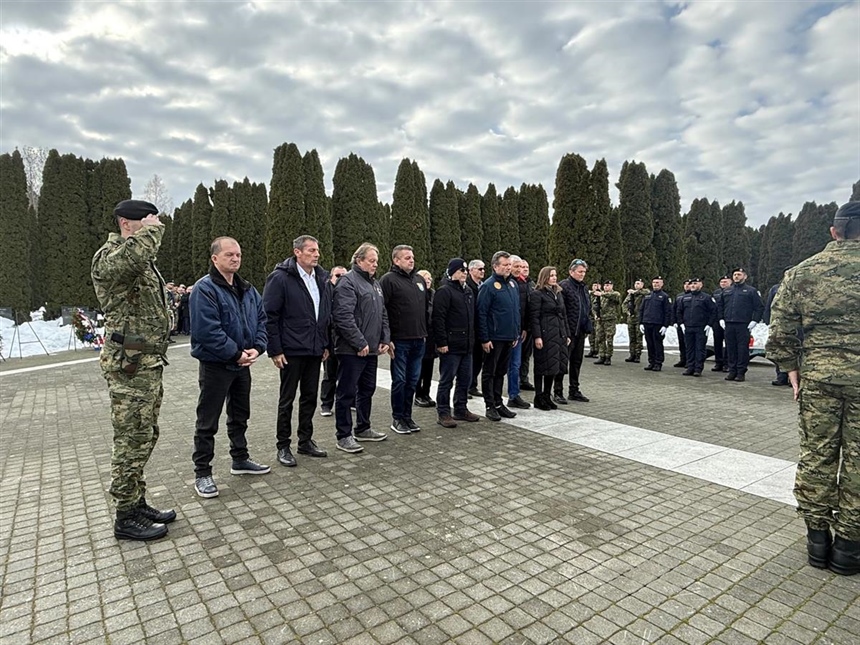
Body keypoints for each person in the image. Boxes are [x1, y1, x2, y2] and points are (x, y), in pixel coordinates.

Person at [765, 201, 860, 576]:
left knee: (817, 455)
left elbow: (781, 333)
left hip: (818, 377)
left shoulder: (802, 273)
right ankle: (849, 548)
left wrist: (790, 369)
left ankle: (817, 541)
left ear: (834, 232)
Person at [92, 199, 174, 541]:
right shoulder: (110, 257)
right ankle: (125, 516)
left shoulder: (137, 256)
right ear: (128, 224)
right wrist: (153, 231)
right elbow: (133, 257)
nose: (155, 228)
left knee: (145, 434)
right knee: (130, 439)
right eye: (148, 222)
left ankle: (136, 502)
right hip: (129, 365)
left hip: (146, 362)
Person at [190, 237, 270, 499]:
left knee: (240, 414)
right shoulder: (205, 289)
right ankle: (202, 473)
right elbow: (207, 331)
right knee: (207, 421)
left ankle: (240, 458)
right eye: (229, 255)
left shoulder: (248, 289)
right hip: (216, 365)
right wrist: (236, 354)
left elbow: (261, 320)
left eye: (238, 254)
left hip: (243, 363)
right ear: (215, 258)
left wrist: (257, 348)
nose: (235, 258)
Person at [262, 235, 331, 468]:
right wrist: (275, 349)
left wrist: (325, 344)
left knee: (310, 397)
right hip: (290, 350)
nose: (316, 254)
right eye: (311, 250)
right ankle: (283, 445)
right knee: (287, 399)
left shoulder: (321, 277)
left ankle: (305, 440)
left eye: (317, 250)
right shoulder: (281, 278)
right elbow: (270, 316)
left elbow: (325, 315)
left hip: (314, 349)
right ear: (297, 252)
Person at [331, 243, 391, 453]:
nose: (375, 264)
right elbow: (343, 317)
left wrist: (385, 338)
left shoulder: (374, 284)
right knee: (346, 393)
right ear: (359, 260)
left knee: (367, 389)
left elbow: (382, 313)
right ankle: (344, 435)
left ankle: (363, 428)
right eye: (371, 260)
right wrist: (359, 342)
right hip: (352, 350)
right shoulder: (348, 282)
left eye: (376, 261)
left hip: (371, 349)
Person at [379, 245, 429, 435]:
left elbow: (425, 310)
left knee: (412, 380)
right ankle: (397, 418)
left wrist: (425, 333)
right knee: (399, 380)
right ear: (396, 260)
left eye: (412, 257)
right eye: (407, 257)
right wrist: (387, 337)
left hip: (418, 339)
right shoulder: (388, 280)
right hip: (399, 341)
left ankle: (408, 417)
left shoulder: (419, 280)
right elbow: (382, 311)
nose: (411, 260)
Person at [432, 259, 480, 427]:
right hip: (451, 346)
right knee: (446, 380)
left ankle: (460, 408)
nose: (464, 273)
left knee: (465, 379)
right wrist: (442, 342)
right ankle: (443, 412)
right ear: (452, 272)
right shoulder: (444, 291)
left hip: (466, 345)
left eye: (466, 271)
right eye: (461, 270)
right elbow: (438, 319)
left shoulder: (467, 292)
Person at [476, 251, 520, 421]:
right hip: (494, 338)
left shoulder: (512, 285)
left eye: (509, 265)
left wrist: (515, 332)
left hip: (509, 337)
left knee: (501, 371)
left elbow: (515, 311)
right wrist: (485, 338)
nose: (508, 268)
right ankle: (489, 405)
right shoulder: (488, 286)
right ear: (495, 266)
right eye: (505, 265)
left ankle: (499, 402)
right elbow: (482, 313)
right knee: (490, 372)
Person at [528, 267, 569, 410]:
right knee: (542, 366)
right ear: (544, 277)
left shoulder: (558, 292)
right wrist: (537, 336)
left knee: (554, 367)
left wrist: (566, 334)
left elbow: (563, 315)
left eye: (555, 275)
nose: (554, 278)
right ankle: (539, 396)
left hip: (558, 334)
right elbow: (534, 317)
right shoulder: (537, 294)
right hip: (545, 334)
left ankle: (547, 395)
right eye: (551, 275)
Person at [554, 259, 592, 404]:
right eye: (580, 271)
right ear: (571, 271)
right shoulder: (564, 286)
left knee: (576, 362)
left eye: (584, 272)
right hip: (568, 333)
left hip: (580, 332)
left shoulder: (583, 287)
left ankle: (574, 390)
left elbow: (585, 307)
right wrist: (565, 332)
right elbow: (561, 311)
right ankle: (557, 391)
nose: (582, 274)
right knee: (562, 363)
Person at [717, 267, 764, 382]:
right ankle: (732, 370)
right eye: (735, 275)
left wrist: (754, 321)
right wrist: (721, 318)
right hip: (729, 323)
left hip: (743, 324)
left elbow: (759, 307)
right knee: (730, 348)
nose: (736, 276)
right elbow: (721, 306)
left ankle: (741, 372)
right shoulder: (727, 291)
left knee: (742, 349)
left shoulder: (751, 291)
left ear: (745, 276)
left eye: (739, 274)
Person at [319, 266, 347, 415]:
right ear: (331, 277)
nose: (341, 278)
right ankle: (326, 404)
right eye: (338, 275)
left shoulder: (349, 292)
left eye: (344, 276)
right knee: (329, 374)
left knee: (347, 374)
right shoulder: (325, 291)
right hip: (330, 341)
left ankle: (347, 401)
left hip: (346, 341)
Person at [676, 278, 716, 377]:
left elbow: (713, 311)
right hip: (688, 327)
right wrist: (681, 323)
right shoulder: (685, 298)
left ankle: (698, 368)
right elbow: (679, 311)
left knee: (699, 349)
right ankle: (690, 367)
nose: (693, 285)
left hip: (700, 327)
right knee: (689, 348)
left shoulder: (706, 297)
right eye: (691, 284)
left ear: (701, 285)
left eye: (695, 283)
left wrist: (709, 324)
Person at [506, 255, 531, 410]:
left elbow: (525, 308)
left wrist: (525, 328)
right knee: (498, 367)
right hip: (503, 332)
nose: (518, 270)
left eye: (521, 267)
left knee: (515, 365)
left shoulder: (522, 284)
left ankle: (513, 395)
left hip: (518, 331)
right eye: (515, 266)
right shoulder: (501, 283)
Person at [763, 268, 791, 386]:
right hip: (778, 324)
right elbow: (769, 305)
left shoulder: (799, 287)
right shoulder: (775, 288)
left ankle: (793, 378)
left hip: (794, 324)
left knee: (794, 351)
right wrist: (767, 320)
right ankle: (781, 377)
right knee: (779, 351)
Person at [414, 269, 437, 408]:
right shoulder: (418, 295)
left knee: (429, 367)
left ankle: (426, 393)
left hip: (431, 336)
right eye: (425, 279)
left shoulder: (434, 294)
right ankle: (418, 394)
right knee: (419, 367)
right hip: (421, 334)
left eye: (429, 279)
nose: (428, 281)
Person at [639, 276, 672, 372]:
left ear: (662, 284)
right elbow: (642, 309)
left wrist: (665, 325)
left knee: (657, 344)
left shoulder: (665, 296)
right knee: (650, 344)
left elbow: (667, 312)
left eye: (658, 282)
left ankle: (658, 363)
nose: (655, 284)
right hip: (647, 323)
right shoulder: (648, 295)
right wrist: (641, 322)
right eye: (654, 282)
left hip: (658, 324)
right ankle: (651, 362)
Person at [466, 259, 485, 397]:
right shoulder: (468, 287)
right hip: (470, 328)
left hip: (480, 328)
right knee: (469, 360)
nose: (483, 271)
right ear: (471, 270)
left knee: (478, 359)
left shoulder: (482, 286)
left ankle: (472, 385)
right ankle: (465, 386)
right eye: (479, 269)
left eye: (483, 269)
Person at [593, 280, 621, 365]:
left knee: (609, 339)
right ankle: (602, 356)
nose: (606, 287)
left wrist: (601, 294)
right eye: (605, 285)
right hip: (600, 320)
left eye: (608, 285)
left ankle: (608, 356)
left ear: (612, 286)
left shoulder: (614, 294)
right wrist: (595, 315)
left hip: (610, 320)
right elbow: (594, 306)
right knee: (600, 338)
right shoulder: (600, 296)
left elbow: (615, 296)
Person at [518, 260, 536, 391]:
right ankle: (518, 380)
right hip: (520, 326)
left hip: (529, 326)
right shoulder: (516, 283)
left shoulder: (531, 284)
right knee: (517, 357)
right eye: (522, 267)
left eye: (526, 267)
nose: (525, 269)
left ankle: (524, 379)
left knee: (526, 355)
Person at [623, 279, 649, 363]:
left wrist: (635, 292)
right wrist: (627, 312)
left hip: (639, 318)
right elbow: (624, 304)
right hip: (631, 318)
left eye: (638, 283)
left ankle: (638, 355)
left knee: (638, 337)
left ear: (642, 285)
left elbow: (647, 292)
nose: (636, 285)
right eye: (635, 283)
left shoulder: (643, 293)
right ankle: (632, 354)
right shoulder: (630, 295)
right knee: (632, 337)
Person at [710, 275, 732, 371]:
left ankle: (727, 363)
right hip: (716, 321)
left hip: (728, 320)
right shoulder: (716, 293)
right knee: (717, 342)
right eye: (722, 282)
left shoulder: (732, 292)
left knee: (728, 343)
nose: (723, 283)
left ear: (730, 283)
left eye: (726, 282)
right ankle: (718, 362)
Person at [673, 280, 693, 369]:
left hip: (690, 323)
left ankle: (689, 361)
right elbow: (674, 309)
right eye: (685, 284)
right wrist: (674, 321)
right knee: (681, 342)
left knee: (689, 344)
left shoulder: (694, 296)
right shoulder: (679, 296)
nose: (687, 286)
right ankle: (683, 359)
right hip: (680, 323)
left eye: (689, 284)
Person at [586, 282, 601, 358]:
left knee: (597, 334)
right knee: (591, 334)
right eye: (594, 285)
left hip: (598, 317)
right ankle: (592, 349)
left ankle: (596, 350)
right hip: (590, 317)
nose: (596, 287)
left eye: (597, 285)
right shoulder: (589, 295)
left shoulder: (601, 295)